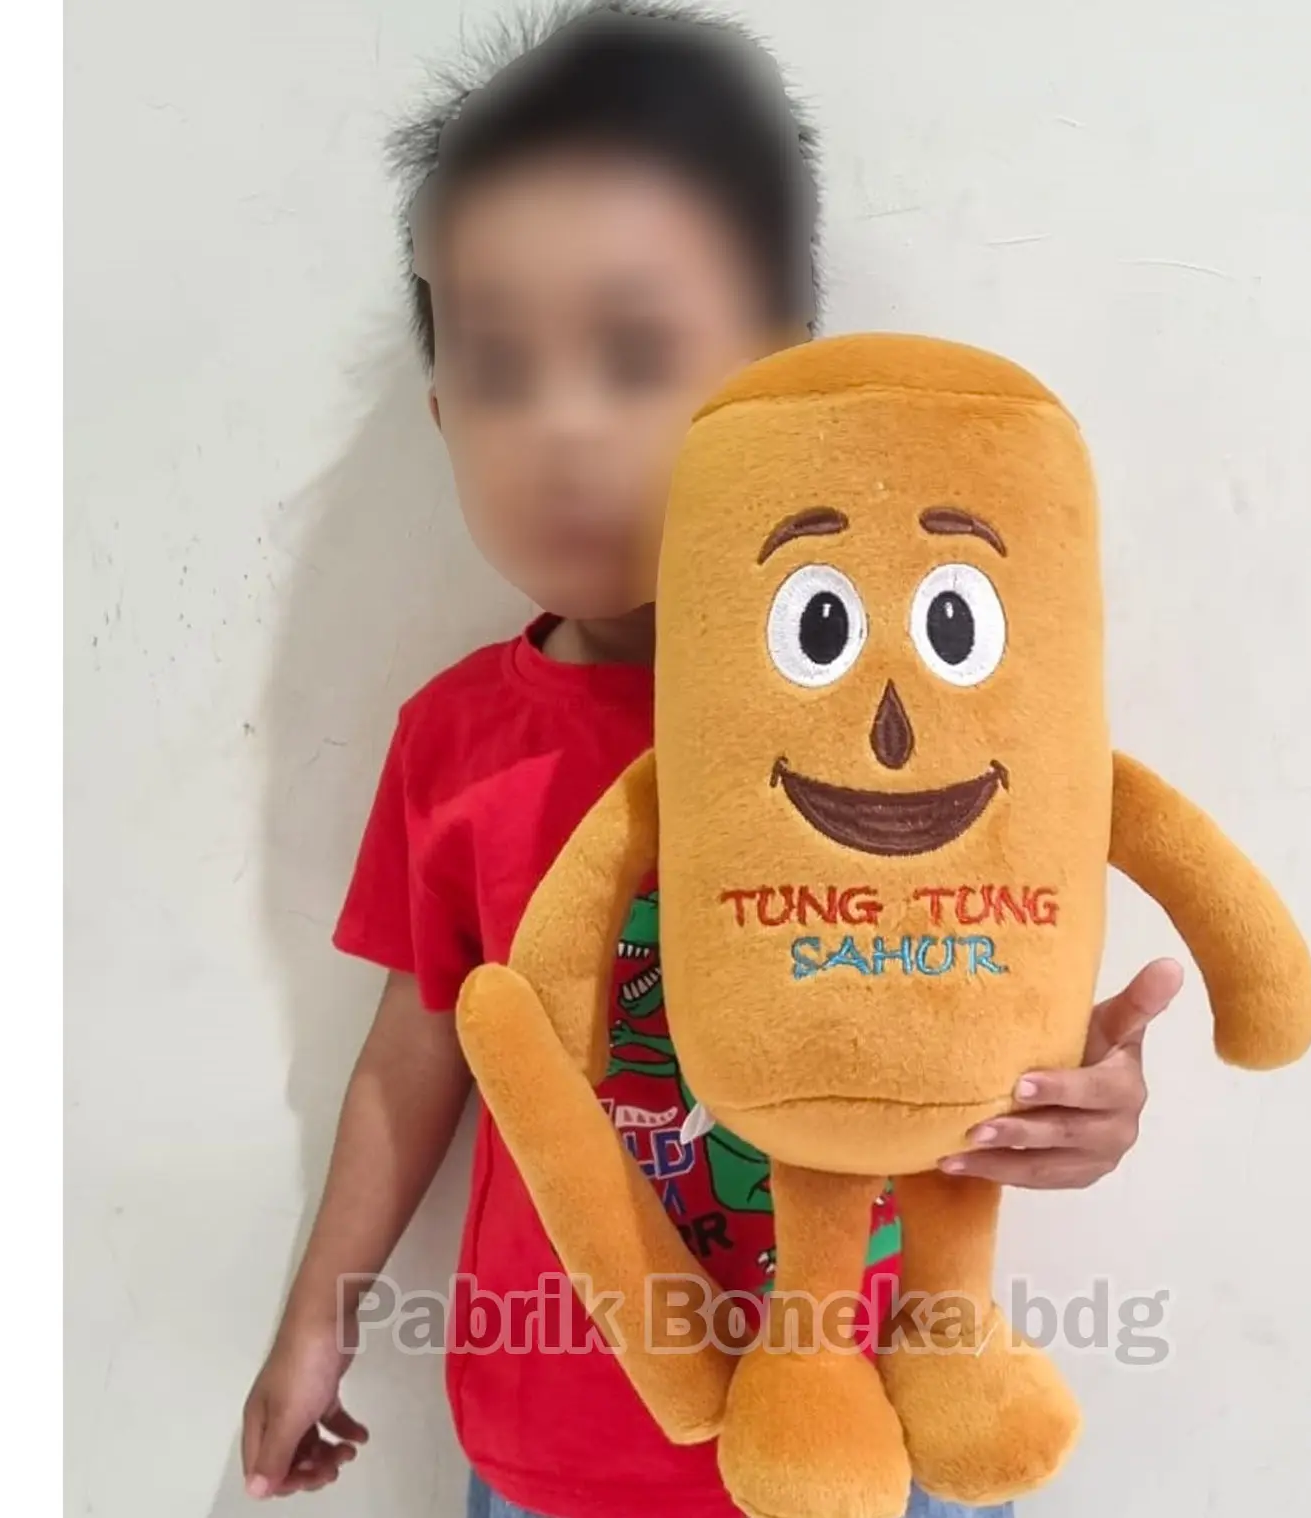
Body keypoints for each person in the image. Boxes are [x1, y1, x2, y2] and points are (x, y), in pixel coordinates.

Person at [239, 5, 1184, 1515]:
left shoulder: (920, 724)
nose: (561, 430)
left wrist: (1079, 1102)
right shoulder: (458, 738)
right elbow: (418, 1047)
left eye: (635, 354)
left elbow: (992, 974)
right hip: (560, 1447)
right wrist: (315, 1320)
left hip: (883, 1436)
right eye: (498, 369)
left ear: (780, 393)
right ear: (442, 414)